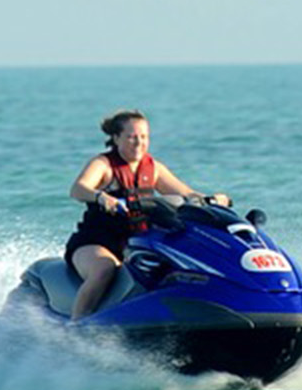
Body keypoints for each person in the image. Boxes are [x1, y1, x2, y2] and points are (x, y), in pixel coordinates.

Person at [64, 109, 229, 319]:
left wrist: (211, 199)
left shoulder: (154, 168)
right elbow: (78, 189)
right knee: (104, 269)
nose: (139, 143)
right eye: (132, 137)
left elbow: (186, 194)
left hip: (136, 243)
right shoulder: (103, 165)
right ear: (116, 138)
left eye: (144, 137)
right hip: (95, 243)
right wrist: (100, 197)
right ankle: (77, 323)